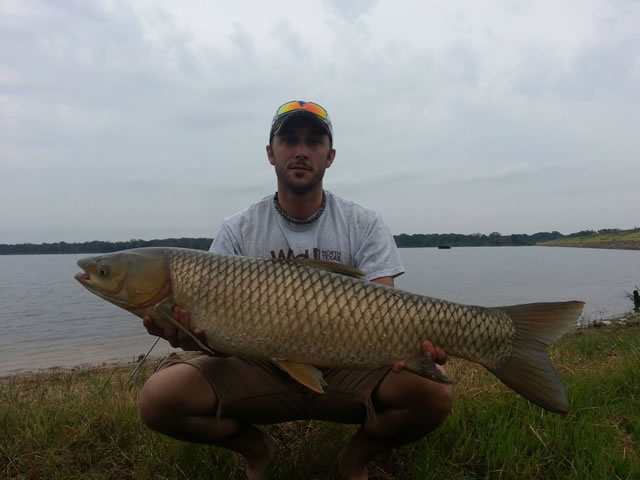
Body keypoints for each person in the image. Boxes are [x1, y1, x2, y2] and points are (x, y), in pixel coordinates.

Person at [138, 100, 453, 480]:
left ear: (330, 155)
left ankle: (354, 461)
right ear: (271, 153)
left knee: (434, 394)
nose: (301, 150)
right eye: (289, 140)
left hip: (345, 366)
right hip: (259, 367)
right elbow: (212, 342)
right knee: (159, 400)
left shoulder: (364, 223)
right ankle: (258, 450)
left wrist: (419, 344)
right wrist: (185, 336)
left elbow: (384, 313)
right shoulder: (239, 228)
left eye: (313, 141)